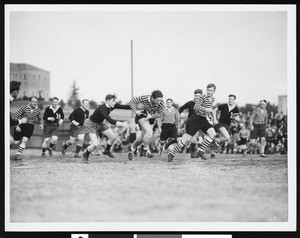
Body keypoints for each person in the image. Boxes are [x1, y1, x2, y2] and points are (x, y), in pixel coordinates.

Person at [167, 83, 217, 162]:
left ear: (214, 91)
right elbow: (196, 107)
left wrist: (210, 115)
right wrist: (206, 110)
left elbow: (209, 108)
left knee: (213, 134)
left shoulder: (213, 99)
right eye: (208, 90)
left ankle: (200, 151)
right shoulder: (202, 97)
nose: (209, 92)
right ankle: (172, 154)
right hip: (194, 120)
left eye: (211, 90)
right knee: (186, 140)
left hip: (203, 120)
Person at [82, 94, 130, 163]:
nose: (114, 102)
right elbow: (109, 119)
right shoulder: (102, 108)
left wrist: (137, 108)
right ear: (107, 101)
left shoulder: (112, 105)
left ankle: (107, 151)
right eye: (113, 101)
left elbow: (125, 107)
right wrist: (122, 124)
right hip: (91, 124)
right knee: (95, 144)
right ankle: (85, 156)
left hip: (101, 123)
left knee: (113, 137)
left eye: (115, 101)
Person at [128, 90, 165, 160]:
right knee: (149, 132)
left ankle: (132, 147)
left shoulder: (161, 103)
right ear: (152, 98)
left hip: (151, 117)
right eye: (157, 100)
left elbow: (161, 114)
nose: (159, 102)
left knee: (143, 137)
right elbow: (131, 102)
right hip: (142, 116)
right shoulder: (143, 98)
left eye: (160, 100)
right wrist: (135, 110)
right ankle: (146, 150)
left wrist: (151, 116)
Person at [12, 96, 43, 160]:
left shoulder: (38, 110)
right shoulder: (24, 108)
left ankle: (18, 155)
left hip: (30, 127)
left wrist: (41, 125)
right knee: (15, 142)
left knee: (24, 140)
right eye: (33, 101)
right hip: (21, 126)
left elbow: (40, 119)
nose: (35, 103)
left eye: (36, 102)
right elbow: (15, 117)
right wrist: (17, 126)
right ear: (30, 102)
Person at [178, 89, 203, 154]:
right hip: (190, 123)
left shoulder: (203, 104)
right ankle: (173, 141)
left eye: (199, 96)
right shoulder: (190, 103)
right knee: (188, 139)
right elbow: (180, 109)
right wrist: (182, 113)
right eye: (196, 95)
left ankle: (193, 152)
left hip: (200, 123)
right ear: (194, 95)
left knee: (198, 139)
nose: (197, 97)